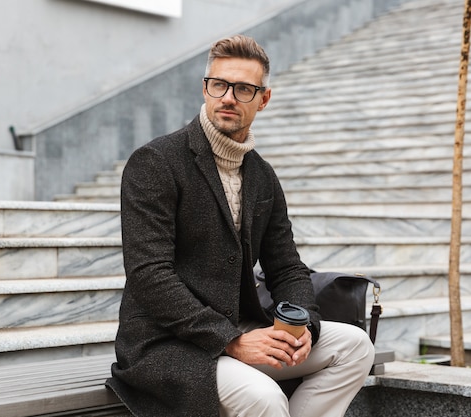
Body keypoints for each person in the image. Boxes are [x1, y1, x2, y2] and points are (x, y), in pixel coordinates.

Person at [106, 34, 375, 417]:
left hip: (240, 327)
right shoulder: (156, 162)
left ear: (264, 99)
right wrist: (231, 340)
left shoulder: (262, 175)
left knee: (354, 346)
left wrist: (304, 329)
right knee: (263, 397)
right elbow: (150, 275)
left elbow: (286, 267)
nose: (229, 97)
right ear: (205, 88)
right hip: (166, 343)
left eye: (244, 89)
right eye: (220, 85)